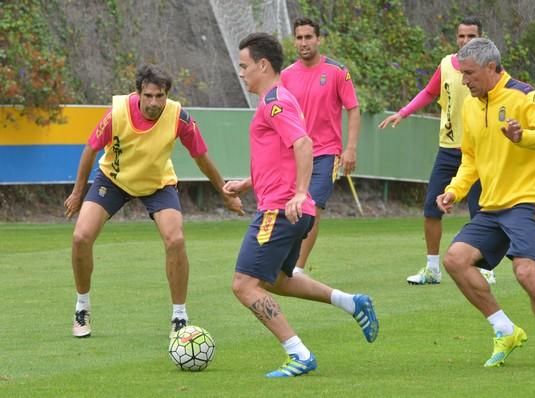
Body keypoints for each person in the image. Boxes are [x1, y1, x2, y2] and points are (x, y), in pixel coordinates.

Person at [223, 32, 378, 378]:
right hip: (289, 207)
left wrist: (299, 193)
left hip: (281, 209)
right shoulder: (278, 100)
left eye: (244, 66)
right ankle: (349, 302)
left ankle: (299, 353)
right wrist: (248, 183)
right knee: (277, 280)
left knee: (244, 285)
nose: (242, 73)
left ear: (263, 65)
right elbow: (282, 154)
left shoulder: (275, 101)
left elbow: (303, 144)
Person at [64, 64, 244, 338]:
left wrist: (224, 191)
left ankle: (180, 316)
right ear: (138, 93)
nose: (154, 102)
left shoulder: (179, 117)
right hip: (113, 179)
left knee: (176, 240)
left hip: (157, 183)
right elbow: (90, 150)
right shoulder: (118, 112)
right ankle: (82, 307)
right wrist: (77, 193)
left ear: (166, 95)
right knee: (80, 237)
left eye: (159, 96)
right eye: (148, 95)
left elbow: (201, 156)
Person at [436, 38, 535, 371]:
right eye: (462, 74)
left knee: (525, 272)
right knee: (456, 259)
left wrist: (524, 137)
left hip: (527, 201)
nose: (465, 81)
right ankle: (505, 329)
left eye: (470, 73)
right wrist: (454, 191)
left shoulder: (523, 95)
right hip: (491, 206)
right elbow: (470, 159)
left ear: (491, 68)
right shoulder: (471, 105)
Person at [378, 17, 495, 286]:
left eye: (471, 36)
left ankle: (485, 267)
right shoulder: (445, 64)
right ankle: (432, 268)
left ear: (481, 39)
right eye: (461, 36)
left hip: (479, 151)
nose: (465, 41)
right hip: (448, 148)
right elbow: (429, 92)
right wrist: (403, 112)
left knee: (481, 209)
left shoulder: (489, 69)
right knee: (432, 206)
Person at [280, 17, 361, 275]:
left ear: (318, 39)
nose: (304, 42)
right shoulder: (286, 76)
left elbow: (353, 109)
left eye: (308, 37)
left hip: (326, 153)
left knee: (311, 209)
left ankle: (298, 269)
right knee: (288, 208)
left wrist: (350, 148)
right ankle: (285, 262)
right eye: (299, 38)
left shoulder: (337, 71)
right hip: (293, 153)